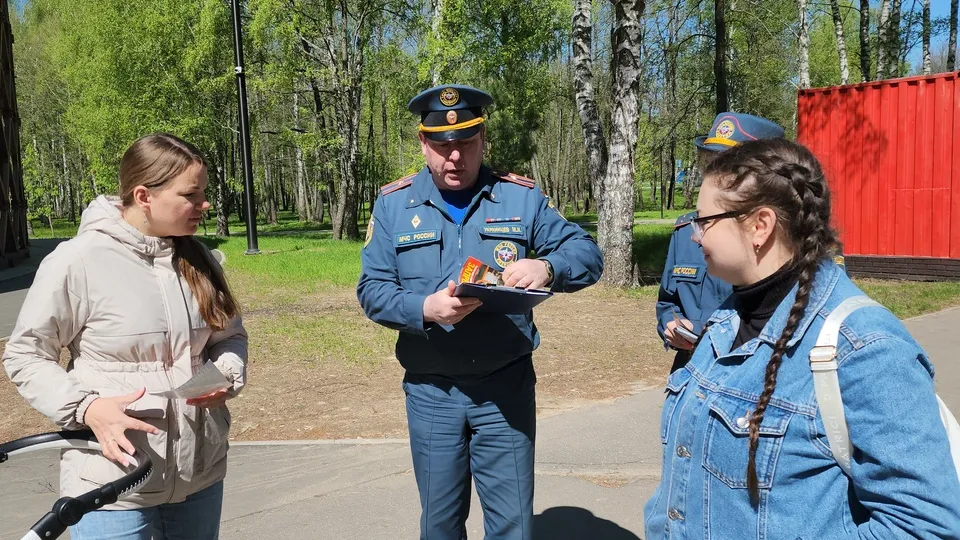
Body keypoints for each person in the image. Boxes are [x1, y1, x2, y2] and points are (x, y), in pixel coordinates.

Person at [644, 138, 960, 538]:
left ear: (760, 225)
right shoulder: (727, 317)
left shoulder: (864, 349)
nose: (694, 235)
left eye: (705, 221)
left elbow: (924, 527)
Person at [357, 84, 603, 540]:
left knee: (512, 524)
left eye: (465, 143)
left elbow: (588, 255)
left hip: (504, 390)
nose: (454, 157)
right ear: (423, 144)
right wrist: (424, 308)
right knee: (440, 524)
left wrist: (547, 266)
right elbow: (372, 290)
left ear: (483, 139)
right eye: (442, 146)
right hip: (432, 393)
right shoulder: (394, 205)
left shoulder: (520, 198)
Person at [2, 133, 248, 540]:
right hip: (111, 483)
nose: (204, 205)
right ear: (143, 195)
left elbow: (231, 337)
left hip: (198, 479)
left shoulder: (200, 258)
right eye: (191, 194)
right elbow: (25, 355)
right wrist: (87, 408)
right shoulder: (77, 260)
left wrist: (226, 370)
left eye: (204, 192)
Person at [656, 113, 785, 373]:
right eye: (711, 164)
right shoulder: (685, 231)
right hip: (692, 372)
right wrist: (671, 324)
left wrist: (708, 329)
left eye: (728, 169)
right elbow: (668, 301)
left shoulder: (788, 241)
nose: (714, 178)